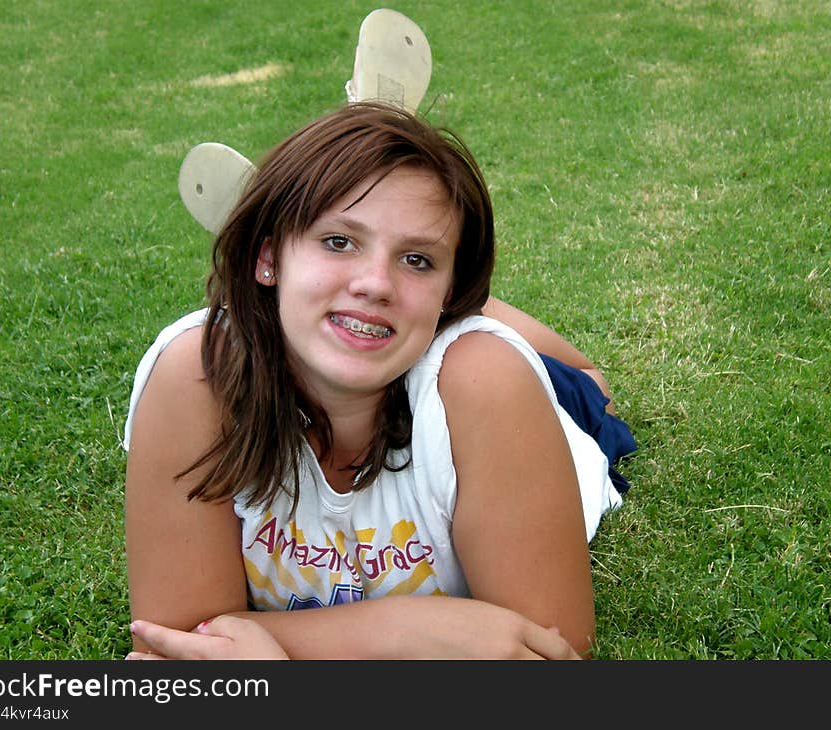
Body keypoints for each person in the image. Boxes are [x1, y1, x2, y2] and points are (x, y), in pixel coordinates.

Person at [123, 101, 634, 661]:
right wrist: (415, 632)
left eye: (417, 258)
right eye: (338, 240)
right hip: (407, 340)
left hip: (553, 415)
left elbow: (547, 656)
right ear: (266, 257)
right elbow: (172, 650)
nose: (375, 281)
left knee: (583, 382)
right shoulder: (196, 375)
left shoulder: (488, 387)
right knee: (379, 308)